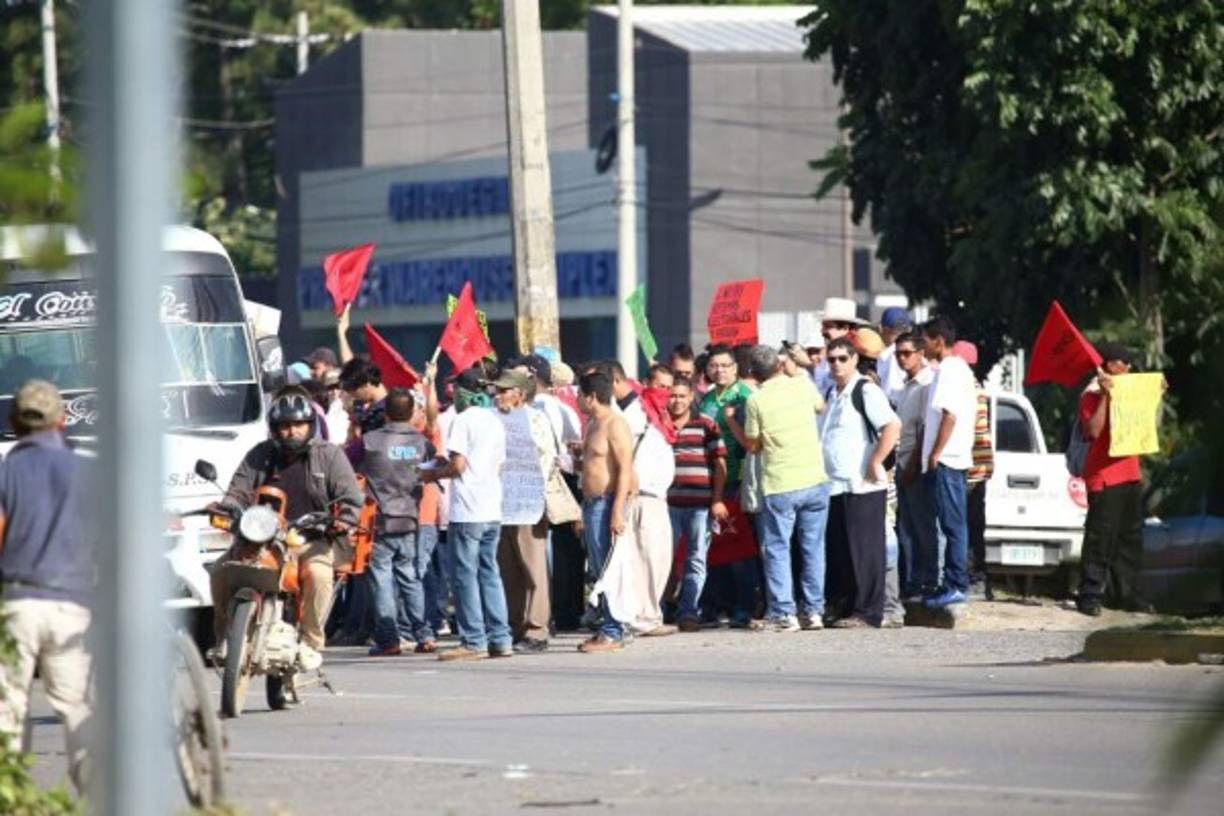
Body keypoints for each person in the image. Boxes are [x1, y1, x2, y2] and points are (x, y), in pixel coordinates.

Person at [214, 386, 365, 654]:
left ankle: (310, 642)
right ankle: (227, 636)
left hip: (311, 537)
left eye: (298, 425)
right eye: (285, 426)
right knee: (221, 570)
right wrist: (227, 506)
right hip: (261, 538)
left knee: (319, 575)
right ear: (275, 428)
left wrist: (342, 519)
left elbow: (352, 497)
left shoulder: (330, 455)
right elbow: (237, 491)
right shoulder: (259, 454)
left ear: (310, 426)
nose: (292, 431)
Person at [0, 380, 95, 792]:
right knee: (77, 709)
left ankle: (10, 794)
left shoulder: (8, 470)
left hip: (18, 603)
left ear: (13, 422)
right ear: (62, 421)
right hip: (73, 605)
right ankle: (99, 795)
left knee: (8, 710)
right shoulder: (86, 469)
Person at [420, 367, 512, 661]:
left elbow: (458, 467)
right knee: (490, 573)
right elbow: (497, 465)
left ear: (463, 392)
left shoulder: (462, 420)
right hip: (491, 508)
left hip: (468, 510)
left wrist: (431, 475)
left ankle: (474, 639)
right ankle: (500, 637)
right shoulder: (496, 421)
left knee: (464, 576)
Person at [743, 346, 832, 632]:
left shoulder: (756, 401)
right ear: (780, 366)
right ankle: (814, 611)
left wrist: (733, 421)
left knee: (778, 549)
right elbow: (821, 407)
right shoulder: (803, 385)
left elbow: (753, 446)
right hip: (815, 479)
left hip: (780, 483)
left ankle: (784, 613)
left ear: (753, 375)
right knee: (813, 548)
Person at [820, 338, 900, 628]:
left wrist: (876, 460)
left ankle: (868, 611)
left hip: (862, 484)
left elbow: (891, 426)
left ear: (854, 359)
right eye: (832, 359)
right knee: (841, 549)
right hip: (835, 485)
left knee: (865, 550)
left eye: (843, 358)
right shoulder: (832, 393)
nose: (837, 364)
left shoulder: (865, 390)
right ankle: (848, 607)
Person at [351, 387, 436, 656]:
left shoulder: (369, 442)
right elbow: (433, 466)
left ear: (386, 412)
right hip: (410, 519)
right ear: (412, 412)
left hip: (379, 521)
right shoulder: (423, 443)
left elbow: (341, 463)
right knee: (410, 578)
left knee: (381, 579)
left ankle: (388, 639)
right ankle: (424, 634)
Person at [1075, 342, 1152, 616]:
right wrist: (1106, 396)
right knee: (1100, 538)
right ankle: (1089, 593)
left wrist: (1155, 395)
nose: (1129, 367)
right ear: (1109, 365)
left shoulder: (1130, 392)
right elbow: (1093, 430)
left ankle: (1125, 594)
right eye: (1124, 362)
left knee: (1129, 539)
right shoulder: (1091, 394)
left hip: (1130, 473)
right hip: (1104, 477)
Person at [600, 360, 676, 636]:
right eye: (660, 387)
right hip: (640, 496)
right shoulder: (631, 415)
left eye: (669, 388)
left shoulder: (649, 411)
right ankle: (640, 618)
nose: (665, 393)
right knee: (642, 559)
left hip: (655, 496)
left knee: (655, 559)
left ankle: (648, 615)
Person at [491, 369, 555, 653]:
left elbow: (547, 457)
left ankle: (537, 629)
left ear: (519, 395)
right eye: (497, 391)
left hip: (529, 503)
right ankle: (515, 624)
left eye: (504, 391)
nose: (498, 396)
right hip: (501, 505)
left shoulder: (536, 419)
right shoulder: (493, 420)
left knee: (534, 569)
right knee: (509, 569)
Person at [919, 317, 979, 609]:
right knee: (950, 522)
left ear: (938, 341)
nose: (922, 346)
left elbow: (949, 415)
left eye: (925, 340)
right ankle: (951, 581)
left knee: (953, 524)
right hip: (951, 458)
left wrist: (935, 453)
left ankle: (956, 583)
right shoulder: (955, 370)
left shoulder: (950, 370)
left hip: (949, 459)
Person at [575, 369, 635, 652]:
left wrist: (617, 511)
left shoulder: (615, 424)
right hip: (590, 504)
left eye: (579, 394)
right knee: (600, 569)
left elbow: (625, 470)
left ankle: (613, 631)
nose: (576, 399)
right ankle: (610, 626)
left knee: (609, 570)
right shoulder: (592, 424)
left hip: (607, 504)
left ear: (592, 397)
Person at [666, 375, 728, 631]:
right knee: (662, 559)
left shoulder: (706, 425)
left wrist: (717, 500)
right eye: (672, 395)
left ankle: (688, 611)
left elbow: (720, 464)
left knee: (696, 559)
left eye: (682, 396)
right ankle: (659, 610)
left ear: (691, 397)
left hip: (700, 505)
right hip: (667, 504)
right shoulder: (659, 425)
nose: (677, 401)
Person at [892, 332, 941, 597]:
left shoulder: (926, 384)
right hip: (903, 461)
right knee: (907, 528)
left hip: (917, 465)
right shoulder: (907, 385)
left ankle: (927, 579)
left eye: (907, 353)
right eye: (898, 353)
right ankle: (913, 579)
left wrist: (912, 465)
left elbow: (924, 430)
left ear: (921, 354)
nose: (902, 358)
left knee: (923, 527)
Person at [953, 341, 994, 590]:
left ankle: (974, 577)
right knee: (973, 524)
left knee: (966, 524)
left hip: (969, 467)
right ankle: (977, 576)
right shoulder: (979, 389)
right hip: (979, 466)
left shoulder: (967, 390)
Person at [811, 297, 867, 394]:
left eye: (827, 327)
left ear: (845, 328)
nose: (822, 331)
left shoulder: (862, 361)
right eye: (823, 326)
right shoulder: (826, 355)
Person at [339, 357, 388, 435]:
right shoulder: (367, 410)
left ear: (366, 384)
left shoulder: (385, 411)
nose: (353, 395)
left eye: (353, 390)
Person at [876, 307, 913, 402]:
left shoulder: (890, 356)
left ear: (882, 329)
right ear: (909, 330)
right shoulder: (918, 353)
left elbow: (890, 396)